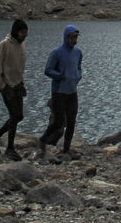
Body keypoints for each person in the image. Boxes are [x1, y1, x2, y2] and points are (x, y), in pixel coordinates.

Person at [39, 24, 82, 161]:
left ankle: (66, 149)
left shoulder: (78, 52)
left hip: (72, 92)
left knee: (71, 121)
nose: (73, 41)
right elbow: (47, 69)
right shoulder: (57, 52)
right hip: (59, 92)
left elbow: (79, 67)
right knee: (58, 122)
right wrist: (59, 75)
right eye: (71, 38)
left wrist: (78, 76)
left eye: (75, 38)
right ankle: (43, 140)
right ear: (66, 37)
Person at [0, 19, 28, 160]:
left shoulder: (21, 45)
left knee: (18, 116)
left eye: (26, 33)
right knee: (15, 115)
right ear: (16, 32)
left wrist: (22, 84)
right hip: (7, 86)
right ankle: (6, 145)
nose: (25, 35)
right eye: (23, 33)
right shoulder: (4, 45)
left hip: (17, 85)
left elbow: (20, 67)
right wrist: (3, 86)